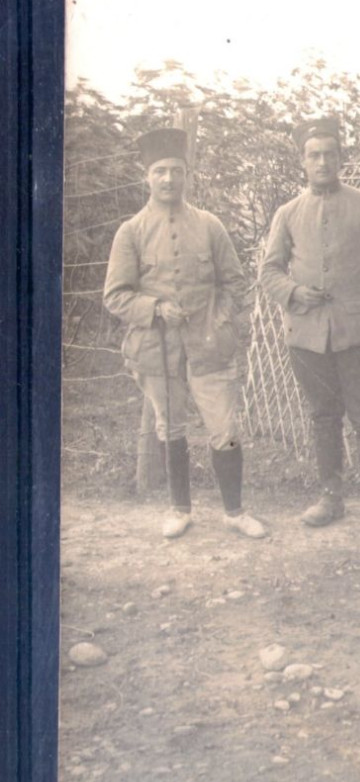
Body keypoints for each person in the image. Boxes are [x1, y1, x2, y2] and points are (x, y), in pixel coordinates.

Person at [104, 127, 267, 540]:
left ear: (187, 175)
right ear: (148, 177)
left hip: (209, 347)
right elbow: (116, 296)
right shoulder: (131, 232)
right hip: (156, 350)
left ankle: (235, 511)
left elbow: (235, 282)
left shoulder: (210, 226)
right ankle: (179, 509)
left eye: (176, 170)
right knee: (169, 426)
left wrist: (222, 321)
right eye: (160, 171)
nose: (168, 179)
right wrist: (154, 308)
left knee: (224, 428)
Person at [260, 116, 360, 536]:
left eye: (329, 154)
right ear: (303, 162)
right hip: (307, 335)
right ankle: (331, 496)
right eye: (314, 155)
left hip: (358, 332)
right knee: (323, 417)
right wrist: (293, 292)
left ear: (341, 158)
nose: (322, 162)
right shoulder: (287, 213)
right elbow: (269, 271)